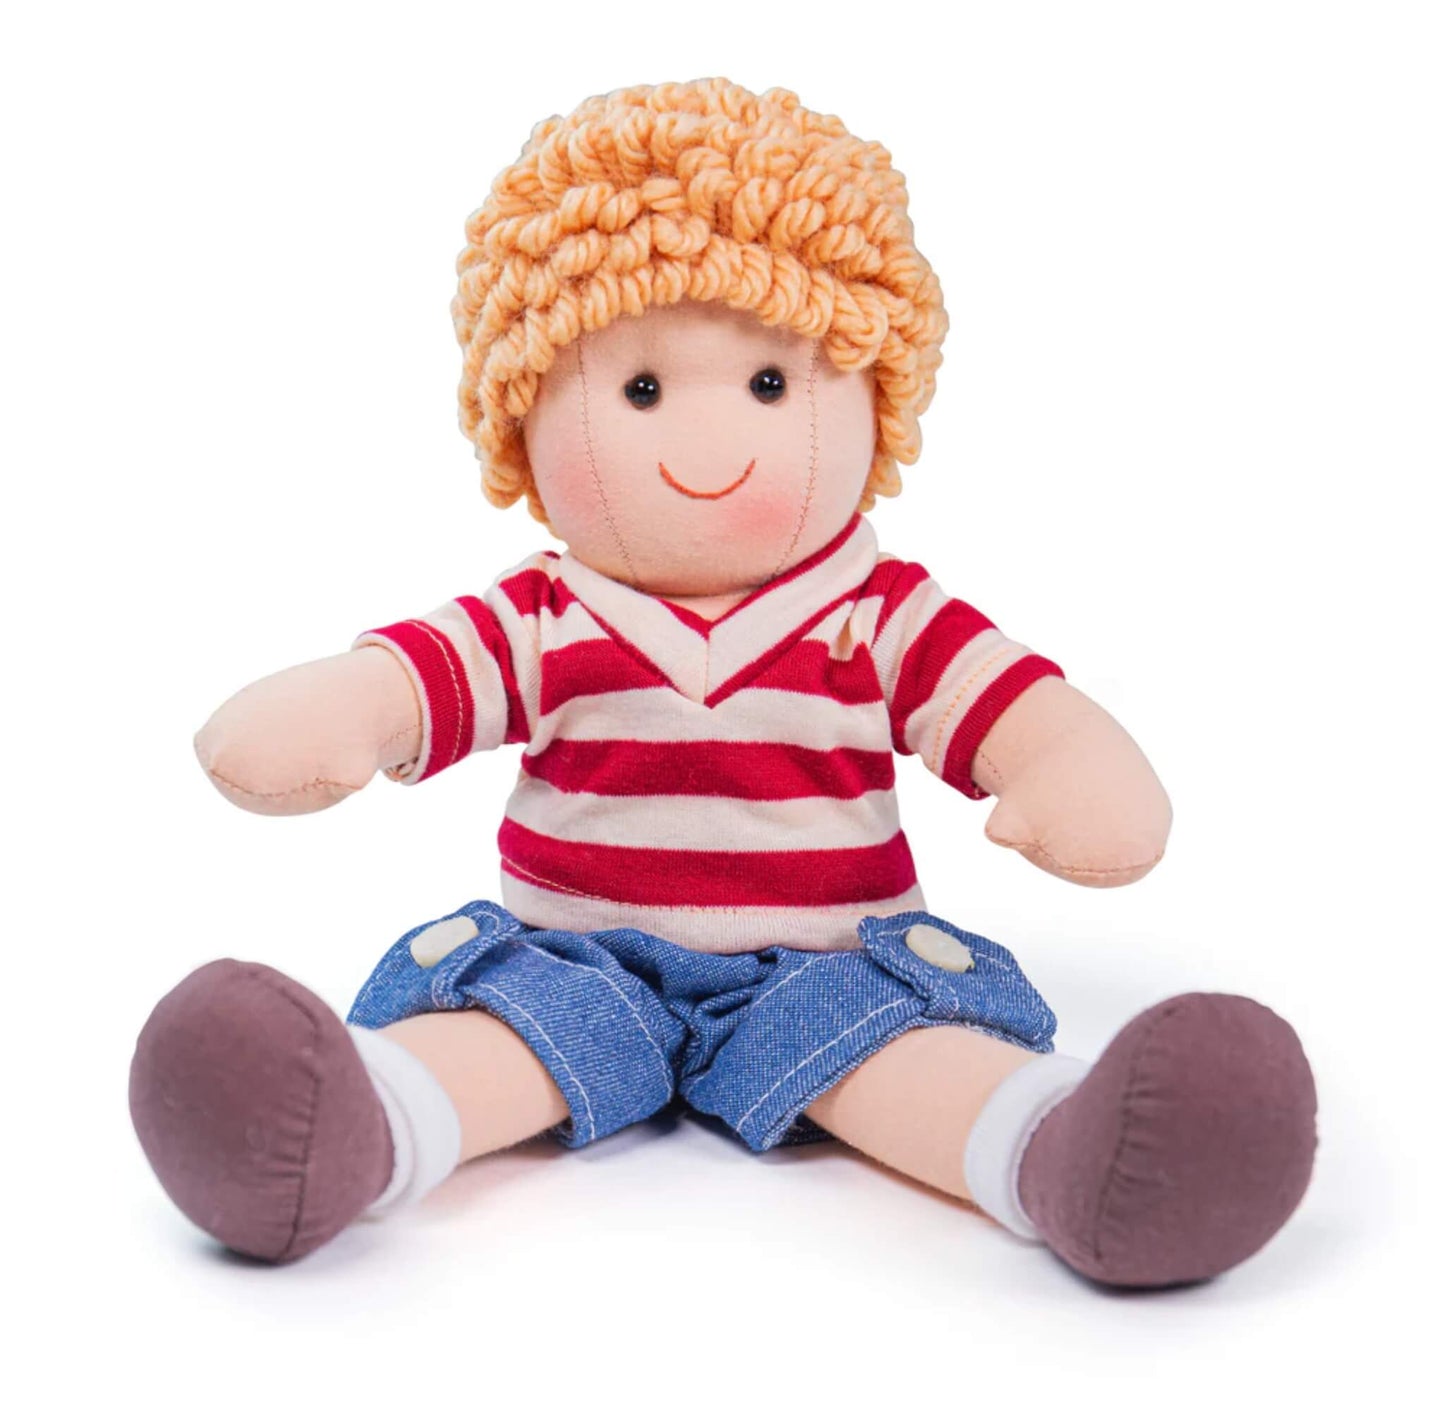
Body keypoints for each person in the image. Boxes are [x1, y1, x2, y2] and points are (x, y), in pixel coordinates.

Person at [129, 78, 1316, 1286]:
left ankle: (1056, 1152)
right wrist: (344, 705)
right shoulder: (546, 613)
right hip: (578, 956)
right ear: (522, 411)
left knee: (902, 1050)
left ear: (872, 390)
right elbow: (413, 680)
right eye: (638, 389)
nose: (708, 447)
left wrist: (1066, 768)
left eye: (768, 383)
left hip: (825, 962)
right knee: (496, 1028)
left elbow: (1014, 709)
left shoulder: (874, 611)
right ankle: (354, 1127)